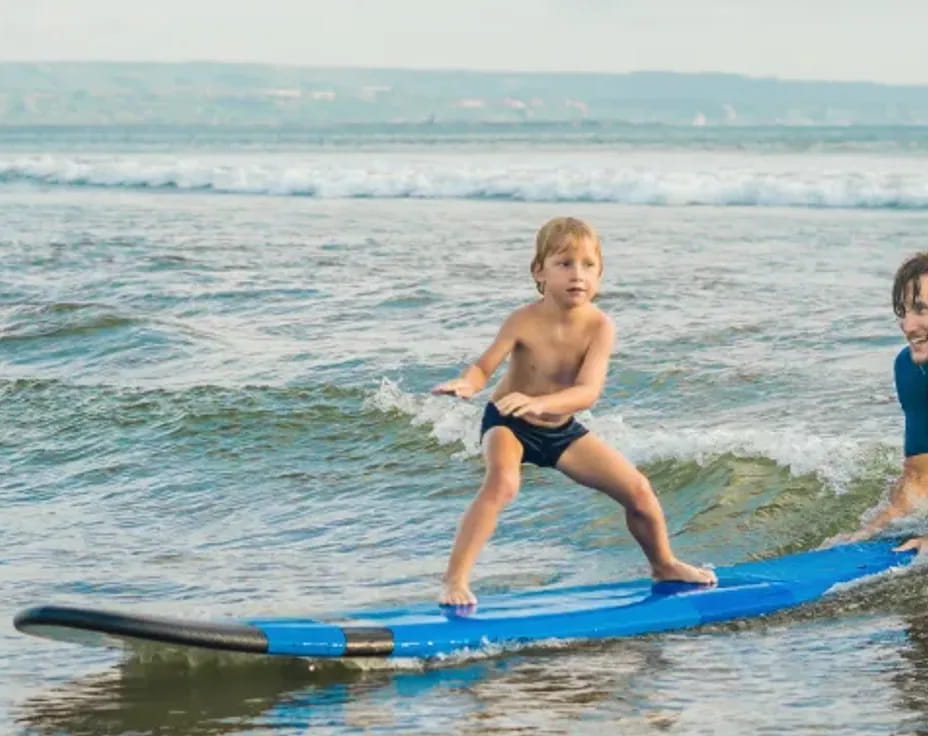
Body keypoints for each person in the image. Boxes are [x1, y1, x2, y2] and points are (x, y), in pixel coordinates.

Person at [431, 216, 717, 606]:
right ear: (539, 272)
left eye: (588, 265)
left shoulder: (600, 326)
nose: (577, 275)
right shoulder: (523, 320)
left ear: (600, 274)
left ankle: (663, 563)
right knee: (503, 484)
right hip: (508, 423)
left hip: (559, 429)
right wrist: (468, 384)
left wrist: (542, 404)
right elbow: (484, 367)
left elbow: (587, 392)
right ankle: (455, 580)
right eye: (564, 264)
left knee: (638, 491)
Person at [840, 252, 928, 552]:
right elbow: (919, 474)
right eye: (903, 311)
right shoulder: (910, 368)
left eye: (922, 310)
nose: (908, 325)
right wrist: (876, 526)